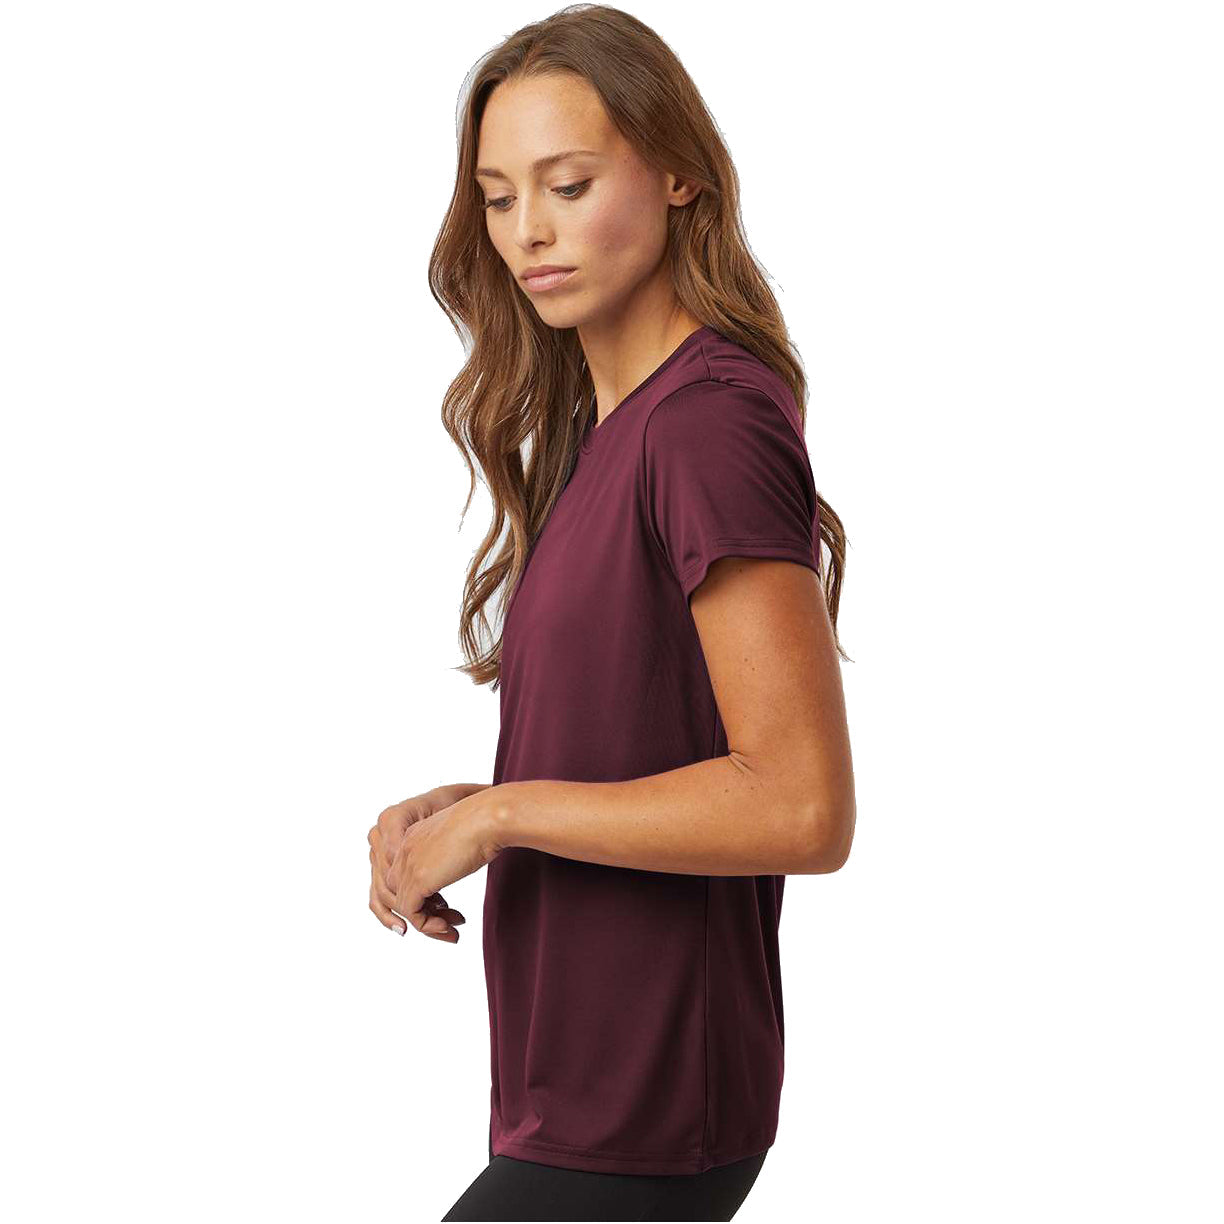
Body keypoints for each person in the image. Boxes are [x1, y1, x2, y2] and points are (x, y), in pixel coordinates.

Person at [367, 5, 856, 1219]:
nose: (527, 231)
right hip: (576, 1096)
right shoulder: (611, 437)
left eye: (569, 184)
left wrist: (504, 816)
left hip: (647, 1108)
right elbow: (649, 744)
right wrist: (474, 807)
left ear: (679, 171)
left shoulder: (706, 423)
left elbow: (801, 804)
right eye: (497, 198)